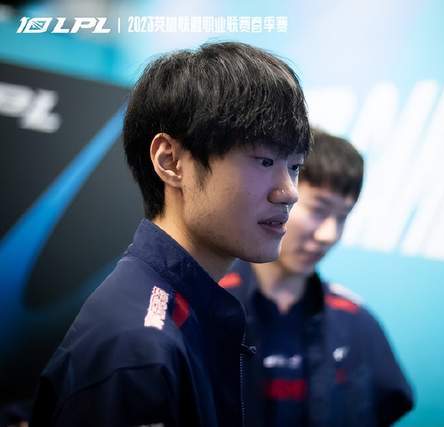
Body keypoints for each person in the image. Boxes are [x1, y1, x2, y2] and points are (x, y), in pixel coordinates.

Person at [30, 41, 311, 427]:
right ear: (171, 161)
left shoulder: (178, 310)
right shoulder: (139, 349)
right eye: (265, 161)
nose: (289, 192)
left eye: (294, 166)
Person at [220, 129, 414, 427]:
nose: (329, 234)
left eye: (342, 217)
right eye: (319, 210)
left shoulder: (355, 322)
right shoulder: (206, 304)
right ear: (278, 195)